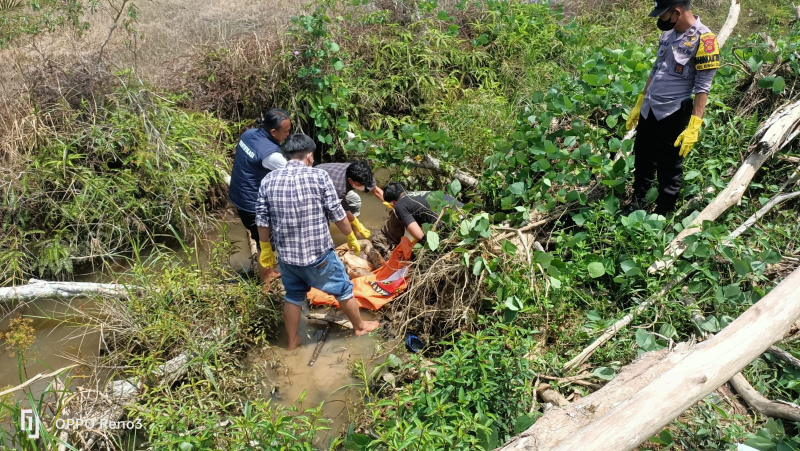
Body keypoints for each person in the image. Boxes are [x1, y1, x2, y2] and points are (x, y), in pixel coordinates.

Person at [255, 134, 380, 350]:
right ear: (309, 155)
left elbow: (262, 219)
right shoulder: (319, 177)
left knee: (293, 296)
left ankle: (293, 341)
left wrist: (266, 249)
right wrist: (351, 236)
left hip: (287, 257)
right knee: (342, 289)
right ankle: (359, 327)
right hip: (318, 255)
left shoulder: (268, 180)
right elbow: (337, 213)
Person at [622, 0, 720, 216]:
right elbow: (656, 68)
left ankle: (664, 210)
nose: (660, 20)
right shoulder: (668, 33)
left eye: (663, 15)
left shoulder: (705, 39)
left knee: (669, 164)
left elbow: (703, 86)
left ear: (677, 11)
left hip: (674, 110)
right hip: (651, 107)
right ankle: (639, 202)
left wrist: (695, 124)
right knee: (643, 156)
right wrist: (640, 102)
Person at [228, 108, 291, 279]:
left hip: (238, 196)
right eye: (285, 132)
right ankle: (267, 277)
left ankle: (265, 269)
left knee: (258, 235)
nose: (288, 135)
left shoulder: (248, 134)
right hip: (252, 205)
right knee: (266, 241)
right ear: (273, 131)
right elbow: (296, 176)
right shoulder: (272, 156)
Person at [373, 182, 463, 256]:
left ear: (392, 203)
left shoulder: (400, 206)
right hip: (464, 214)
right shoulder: (416, 194)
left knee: (414, 258)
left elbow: (419, 235)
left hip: (450, 226)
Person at [315, 162, 385, 239]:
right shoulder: (340, 189)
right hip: (317, 183)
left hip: (332, 174)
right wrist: (352, 230)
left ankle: (356, 231)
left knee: (355, 200)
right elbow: (342, 209)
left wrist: (393, 205)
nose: (365, 187)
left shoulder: (363, 174)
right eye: (361, 184)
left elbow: (376, 191)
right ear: (350, 181)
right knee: (324, 215)